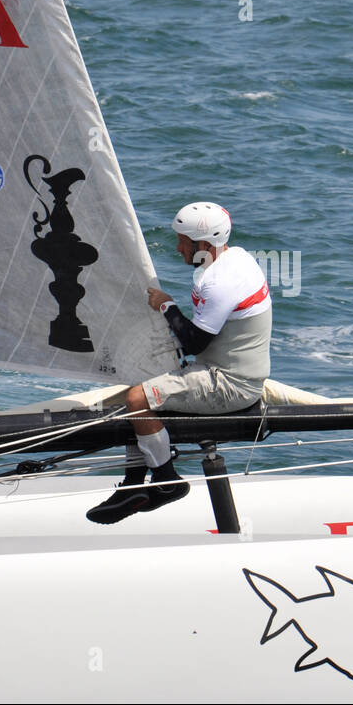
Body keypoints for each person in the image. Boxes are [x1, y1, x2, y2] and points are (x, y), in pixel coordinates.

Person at [86, 202, 272, 524]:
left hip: (229, 383)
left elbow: (194, 342)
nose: (177, 248)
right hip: (223, 369)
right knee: (141, 380)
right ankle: (133, 485)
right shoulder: (235, 258)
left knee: (136, 399)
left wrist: (166, 305)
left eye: (183, 241)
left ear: (203, 244)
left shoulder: (219, 282)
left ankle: (166, 480)